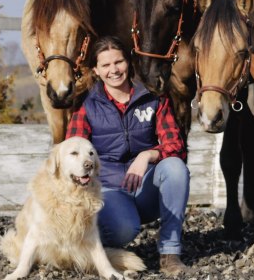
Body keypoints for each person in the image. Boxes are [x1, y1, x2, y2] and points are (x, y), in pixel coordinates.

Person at [65, 35, 190, 276]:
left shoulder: (153, 97)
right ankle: (94, 250)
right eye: (106, 65)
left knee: (175, 167)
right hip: (109, 192)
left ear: (128, 62)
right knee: (125, 229)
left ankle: (170, 253)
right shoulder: (86, 106)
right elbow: (72, 155)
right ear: (96, 70)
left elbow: (176, 145)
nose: (114, 70)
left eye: (119, 62)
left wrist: (147, 156)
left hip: (146, 189)